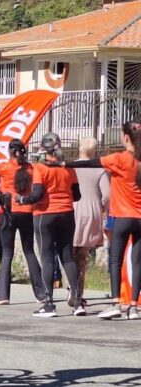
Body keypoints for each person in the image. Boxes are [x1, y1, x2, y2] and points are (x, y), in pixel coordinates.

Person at [62, 122, 141, 319]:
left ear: (125, 138)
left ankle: (115, 303)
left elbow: (91, 163)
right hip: (140, 218)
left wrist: (65, 164)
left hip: (123, 216)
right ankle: (133, 306)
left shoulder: (120, 158)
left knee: (115, 260)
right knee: (138, 261)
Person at [16, 132, 83, 317]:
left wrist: (21, 199)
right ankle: (78, 302)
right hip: (67, 213)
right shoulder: (68, 168)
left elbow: (36, 195)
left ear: (43, 148)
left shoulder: (41, 168)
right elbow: (77, 195)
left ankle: (48, 303)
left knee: (46, 257)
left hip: (45, 215)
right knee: (68, 257)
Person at [0, 139, 45, 304]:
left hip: (8, 212)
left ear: (10, 152)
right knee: (29, 251)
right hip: (27, 212)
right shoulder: (32, 168)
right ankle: (41, 294)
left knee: (7, 253)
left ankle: (2, 296)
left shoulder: (3, 167)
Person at [70, 137, 110, 307]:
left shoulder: (71, 167)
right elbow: (107, 194)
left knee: (69, 253)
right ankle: (79, 292)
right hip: (92, 210)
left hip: (72, 209)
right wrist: (101, 206)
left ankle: (71, 288)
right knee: (83, 255)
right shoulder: (99, 169)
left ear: (79, 148)